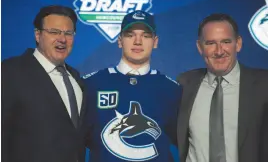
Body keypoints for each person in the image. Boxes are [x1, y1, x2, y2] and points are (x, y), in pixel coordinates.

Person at [83, 10, 181, 162]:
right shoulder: (91, 84)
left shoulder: (172, 89)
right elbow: (77, 140)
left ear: (155, 42)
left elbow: (184, 141)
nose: (138, 41)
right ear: (120, 40)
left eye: (145, 36)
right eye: (130, 35)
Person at [176, 13, 268, 162]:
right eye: (210, 43)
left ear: (238, 44)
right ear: (200, 47)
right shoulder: (184, 84)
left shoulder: (264, 85)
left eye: (226, 42)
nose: (219, 51)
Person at [2, 5, 88, 162]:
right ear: (37, 35)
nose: (62, 39)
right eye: (54, 32)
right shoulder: (9, 72)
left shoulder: (76, 78)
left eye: (68, 33)